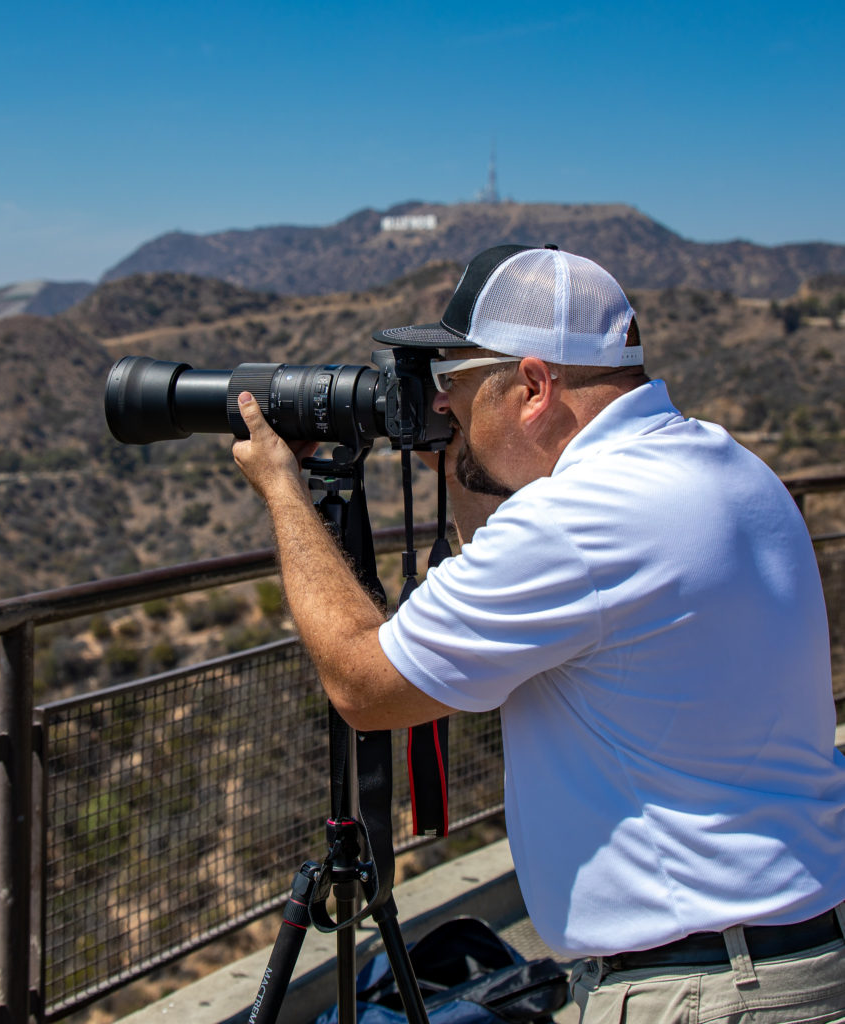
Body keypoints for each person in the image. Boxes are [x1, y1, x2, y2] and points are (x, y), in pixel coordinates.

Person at [230, 244, 845, 1022]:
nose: (440, 409)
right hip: (788, 958)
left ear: (531, 385)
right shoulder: (723, 467)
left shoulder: (583, 523)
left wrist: (285, 492)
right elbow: (506, 559)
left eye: (451, 385)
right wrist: (464, 469)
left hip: (700, 991)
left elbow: (363, 684)